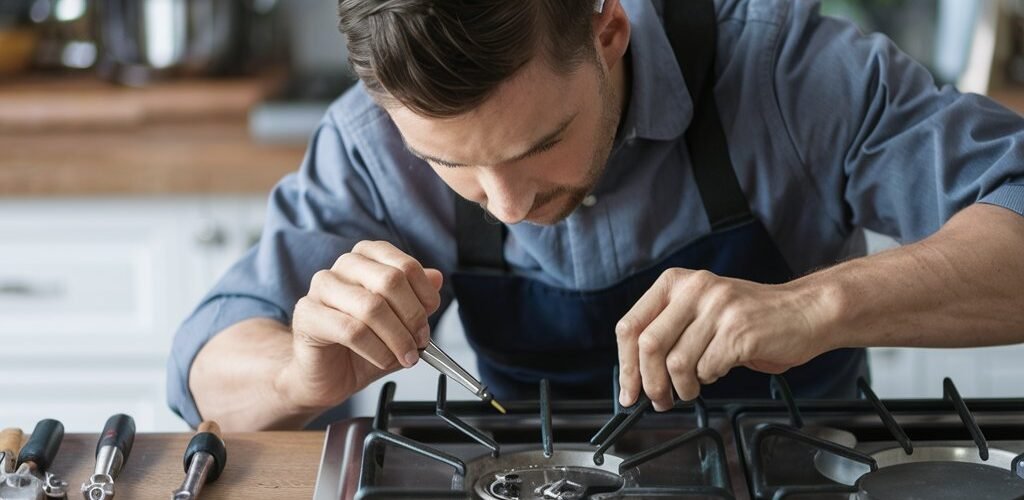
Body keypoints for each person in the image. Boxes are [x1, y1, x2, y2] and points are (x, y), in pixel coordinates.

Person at [168, 0, 1024, 430]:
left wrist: (818, 306)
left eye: (539, 143)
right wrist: (294, 375)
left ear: (607, 27)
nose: (509, 205)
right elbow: (210, 353)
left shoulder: (789, 73)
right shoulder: (368, 141)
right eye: (449, 165)